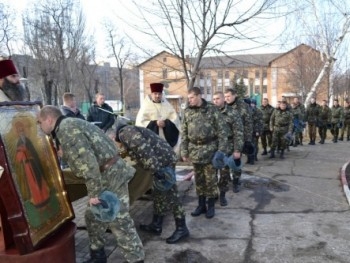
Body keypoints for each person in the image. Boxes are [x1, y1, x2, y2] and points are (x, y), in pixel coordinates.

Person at [37, 106, 145, 263]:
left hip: (110, 176)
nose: (40, 126)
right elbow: (90, 151)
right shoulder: (70, 123)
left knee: (119, 221)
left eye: (40, 122)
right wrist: (66, 155)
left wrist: (94, 194)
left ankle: (136, 260)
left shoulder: (66, 129)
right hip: (107, 174)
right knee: (92, 217)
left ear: (49, 119)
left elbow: (89, 164)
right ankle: (98, 256)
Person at [115, 120, 189, 244]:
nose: (118, 146)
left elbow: (144, 150)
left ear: (115, 135)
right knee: (158, 194)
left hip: (162, 163)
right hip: (161, 161)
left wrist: (156, 170)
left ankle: (182, 228)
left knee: (172, 196)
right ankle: (156, 224)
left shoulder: (125, 132)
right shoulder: (131, 130)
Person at [181, 87, 230, 219]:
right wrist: (184, 150)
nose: (189, 100)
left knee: (211, 180)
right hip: (195, 151)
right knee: (199, 180)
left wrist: (221, 151)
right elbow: (184, 132)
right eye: (189, 98)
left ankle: (211, 206)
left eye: (191, 97)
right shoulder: (187, 112)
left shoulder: (212, 109)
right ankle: (201, 205)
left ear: (198, 96)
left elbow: (223, 131)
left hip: (210, 150)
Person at [212, 91, 243, 206]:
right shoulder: (210, 112)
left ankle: (222, 195)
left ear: (223, 100)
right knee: (212, 173)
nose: (215, 101)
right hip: (212, 147)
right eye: (214, 99)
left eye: (218, 98)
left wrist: (237, 150)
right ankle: (213, 193)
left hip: (227, 147)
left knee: (224, 174)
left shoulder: (233, 113)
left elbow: (238, 133)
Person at [224, 88, 253, 192]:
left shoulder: (243, 107)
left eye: (228, 96)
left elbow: (248, 124)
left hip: (238, 139)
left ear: (234, 95)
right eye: (225, 96)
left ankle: (236, 181)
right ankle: (226, 179)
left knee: (236, 161)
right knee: (225, 160)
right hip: (225, 139)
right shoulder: (224, 106)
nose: (226, 98)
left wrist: (248, 140)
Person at [136, 83, 180, 149]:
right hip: (151, 141)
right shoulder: (145, 106)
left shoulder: (167, 105)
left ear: (162, 94)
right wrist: (155, 123)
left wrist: (166, 123)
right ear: (151, 94)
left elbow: (175, 121)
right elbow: (140, 123)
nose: (157, 96)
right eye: (155, 93)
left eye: (159, 94)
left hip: (165, 140)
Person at [250, 99, 263, 163]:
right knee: (249, 145)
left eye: (253, 103)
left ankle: (254, 156)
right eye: (251, 103)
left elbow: (259, 122)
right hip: (249, 131)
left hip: (256, 130)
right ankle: (249, 158)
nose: (252, 105)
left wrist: (257, 131)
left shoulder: (258, 111)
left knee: (254, 144)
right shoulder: (248, 110)